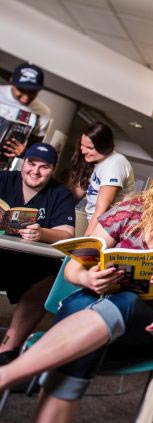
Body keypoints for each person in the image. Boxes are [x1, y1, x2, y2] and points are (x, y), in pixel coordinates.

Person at [0, 149, 153, 423]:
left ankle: (9, 374)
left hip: (144, 328)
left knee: (123, 301)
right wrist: (89, 277)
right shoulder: (130, 212)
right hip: (91, 308)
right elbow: (73, 270)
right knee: (85, 322)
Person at [0, 142, 75, 364]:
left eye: (44, 167)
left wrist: (42, 233)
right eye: (31, 163)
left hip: (31, 263)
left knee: (51, 279)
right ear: (23, 162)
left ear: (52, 170)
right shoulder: (4, 179)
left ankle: (7, 350)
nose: (35, 171)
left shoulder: (60, 193)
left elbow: (67, 235)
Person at [67, 122, 136, 235]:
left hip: (110, 228)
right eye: (82, 145)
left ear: (104, 146)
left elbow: (102, 208)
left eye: (89, 147)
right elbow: (76, 194)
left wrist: (85, 240)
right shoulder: (96, 161)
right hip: (99, 224)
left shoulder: (114, 163)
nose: (83, 151)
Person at [0, 63, 52, 161]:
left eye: (32, 92)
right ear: (12, 81)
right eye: (22, 90)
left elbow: (34, 148)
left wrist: (24, 152)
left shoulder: (43, 112)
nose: (25, 98)